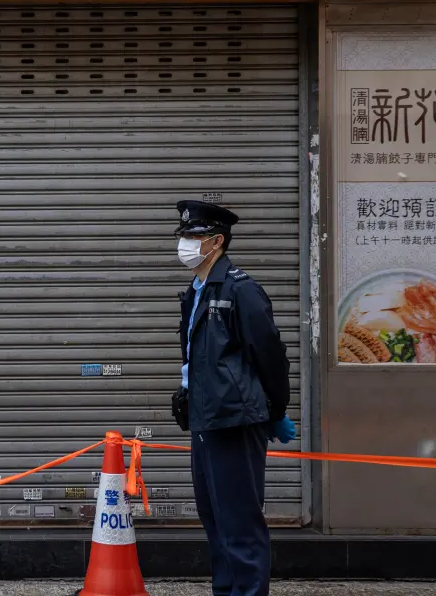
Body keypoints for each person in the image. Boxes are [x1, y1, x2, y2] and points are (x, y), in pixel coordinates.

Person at [170, 200, 295, 596]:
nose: (186, 243)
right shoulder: (197, 291)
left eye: (195, 236)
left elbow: (270, 354)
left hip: (234, 420)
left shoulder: (240, 289)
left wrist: (276, 410)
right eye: (184, 235)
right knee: (215, 519)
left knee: (239, 522)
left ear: (217, 241)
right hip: (206, 418)